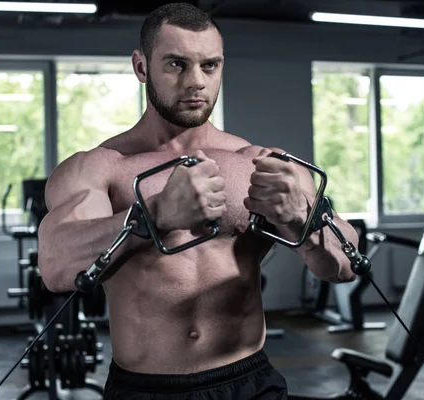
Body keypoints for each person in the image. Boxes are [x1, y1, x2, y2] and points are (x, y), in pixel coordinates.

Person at [38, 3, 359, 399]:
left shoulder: (257, 163)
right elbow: (55, 266)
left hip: (249, 381)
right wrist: (152, 216)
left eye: (209, 66)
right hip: (146, 388)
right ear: (141, 67)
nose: (196, 82)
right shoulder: (102, 168)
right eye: (176, 64)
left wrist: (304, 222)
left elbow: (344, 265)